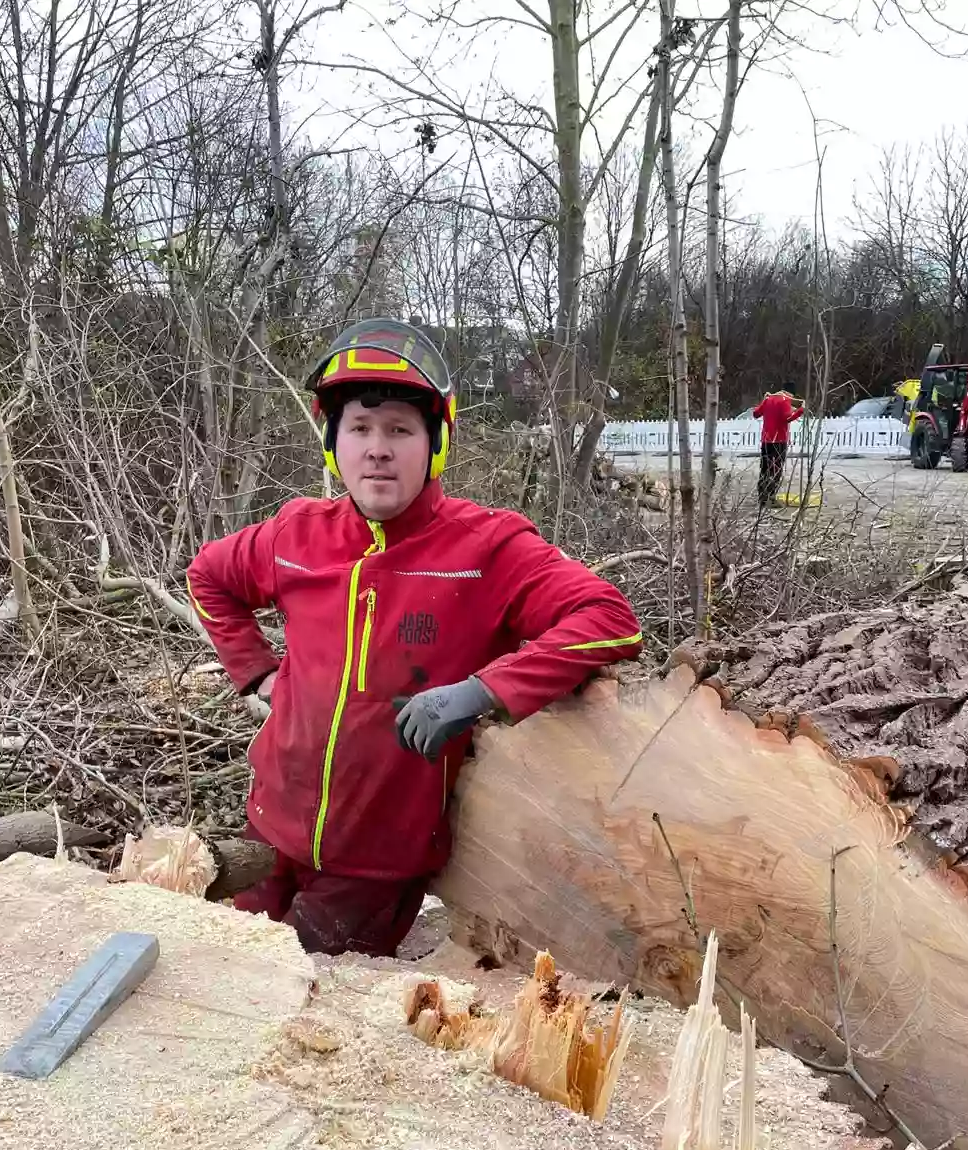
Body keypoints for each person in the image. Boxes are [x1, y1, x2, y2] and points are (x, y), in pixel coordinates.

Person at [186, 317, 642, 957]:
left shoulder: (487, 546)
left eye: (400, 429)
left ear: (435, 443)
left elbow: (607, 619)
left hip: (378, 858)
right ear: (333, 442)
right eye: (360, 429)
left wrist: (481, 691)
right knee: (227, 966)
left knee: (307, 997)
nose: (378, 448)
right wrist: (258, 673)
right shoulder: (297, 535)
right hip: (270, 824)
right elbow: (209, 575)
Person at [752, 384, 804, 507]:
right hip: (779, 441)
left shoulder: (769, 399)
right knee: (776, 469)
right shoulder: (785, 400)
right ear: (791, 393)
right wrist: (801, 410)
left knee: (764, 469)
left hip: (766, 440)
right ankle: (770, 497)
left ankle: (762, 497)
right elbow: (788, 417)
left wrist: (764, 400)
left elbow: (756, 414)